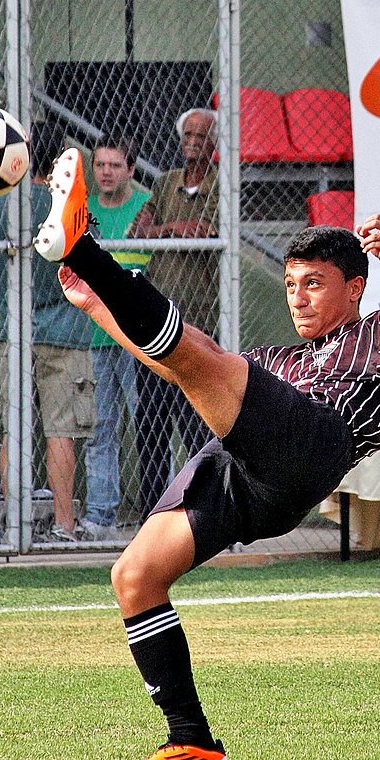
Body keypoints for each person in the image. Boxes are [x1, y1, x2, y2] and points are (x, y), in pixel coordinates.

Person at [33, 146, 380, 760]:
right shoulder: (280, 360)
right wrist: (94, 307)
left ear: (354, 288)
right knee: (134, 575)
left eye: (315, 284)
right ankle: (191, 743)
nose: (299, 298)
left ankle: (84, 247)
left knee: (206, 358)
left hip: (317, 444)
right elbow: (172, 360)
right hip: (251, 478)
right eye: (291, 285)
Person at [0, 125, 95, 542]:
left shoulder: (2, 204)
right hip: (65, 331)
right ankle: (64, 524)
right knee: (60, 430)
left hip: (15, 328)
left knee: (14, 428)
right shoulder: (68, 204)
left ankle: (15, 524)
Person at [129, 108, 219, 522]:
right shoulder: (165, 182)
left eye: (202, 134)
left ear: (214, 141)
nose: (193, 141)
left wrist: (171, 227)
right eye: (188, 134)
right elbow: (138, 230)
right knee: (151, 424)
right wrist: (171, 228)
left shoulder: (221, 184)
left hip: (198, 322)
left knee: (195, 422)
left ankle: (202, 508)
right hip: (154, 320)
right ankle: (155, 512)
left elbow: (207, 231)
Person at [82, 135, 152, 541]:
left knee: (149, 425)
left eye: (114, 165)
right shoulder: (84, 210)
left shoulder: (145, 207)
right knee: (100, 428)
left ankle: (158, 513)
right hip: (94, 336)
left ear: (130, 169)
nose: (106, 172)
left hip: (136, 333)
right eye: (100, 165)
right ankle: (100, 517)